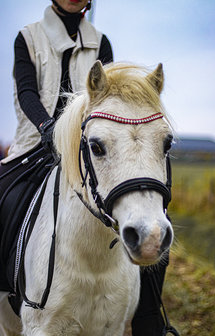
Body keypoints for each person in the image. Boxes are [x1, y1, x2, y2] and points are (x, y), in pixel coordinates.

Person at [0, 1, 168, 334]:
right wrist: (47, 127)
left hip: (87, 149)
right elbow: (27, 90)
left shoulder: (100, 41)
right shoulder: (28, 37)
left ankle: (150, 318)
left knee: (151, 216)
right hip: (34, 145)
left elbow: (105, 94)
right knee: (3, 197)